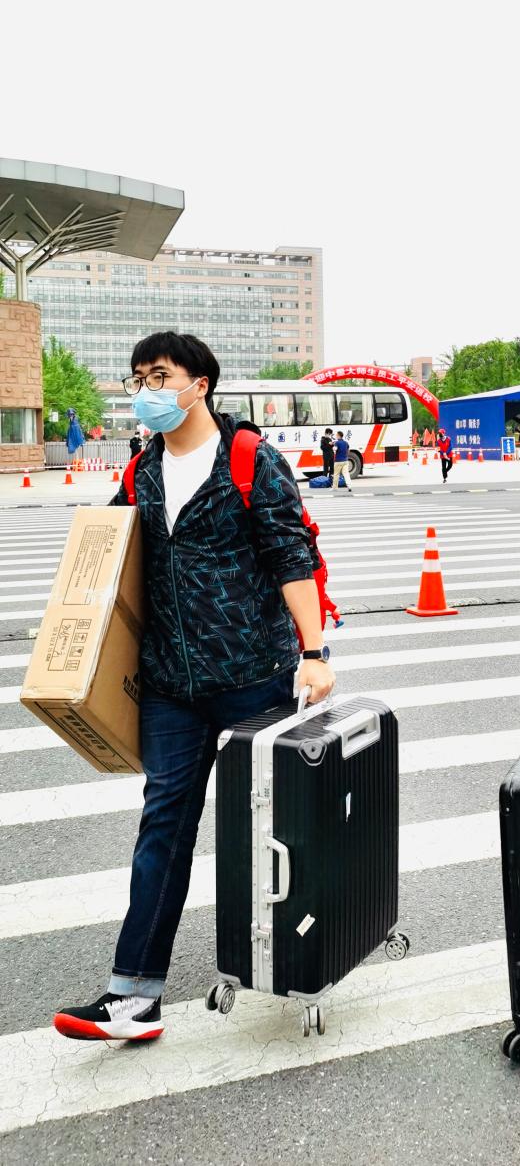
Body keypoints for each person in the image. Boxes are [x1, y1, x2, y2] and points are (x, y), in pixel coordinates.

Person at [54, 332, 334, 1044]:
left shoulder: (250, 460)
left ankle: (308, 954)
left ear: (199, 383)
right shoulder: (142, 469)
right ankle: (133, 995)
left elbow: (291, 555)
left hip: (252, 678)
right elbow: (112, 555)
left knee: (273, 830)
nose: (146, 389)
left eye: (160, 375)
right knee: (164, 827)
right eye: (138, 377)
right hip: (170, 688)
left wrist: (313, 652)